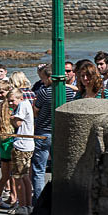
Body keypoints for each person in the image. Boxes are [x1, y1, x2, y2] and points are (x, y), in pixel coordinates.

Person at [31, 64, 76, 206]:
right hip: (60, 133)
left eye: (44, 79)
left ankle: (39, 201)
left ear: (50, 78)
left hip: (43, 132)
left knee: (39, 170)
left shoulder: (44, 93)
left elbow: (36, 110)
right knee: (60, 168)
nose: (42, 82)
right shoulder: (69, 93)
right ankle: (60, 199)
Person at [7, 88, 34, 215]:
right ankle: (28, 204)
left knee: (18, 177)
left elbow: (17, 123)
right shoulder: (27, 104)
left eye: (12, 101)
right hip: (28, 145)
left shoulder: (22, 105)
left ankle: (23, 205)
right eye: (9, 101)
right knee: (25, 176)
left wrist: (11, 117)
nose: (10, 103)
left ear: (20, 98)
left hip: (22, 145)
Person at [0, 80, 16, 210]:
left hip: (1, 139)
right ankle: (13, 197)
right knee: (12, 174)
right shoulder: (8, 106)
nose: (0, 94)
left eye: (2, 92)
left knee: (5, 174)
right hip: (8, 140)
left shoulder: (0, 105)